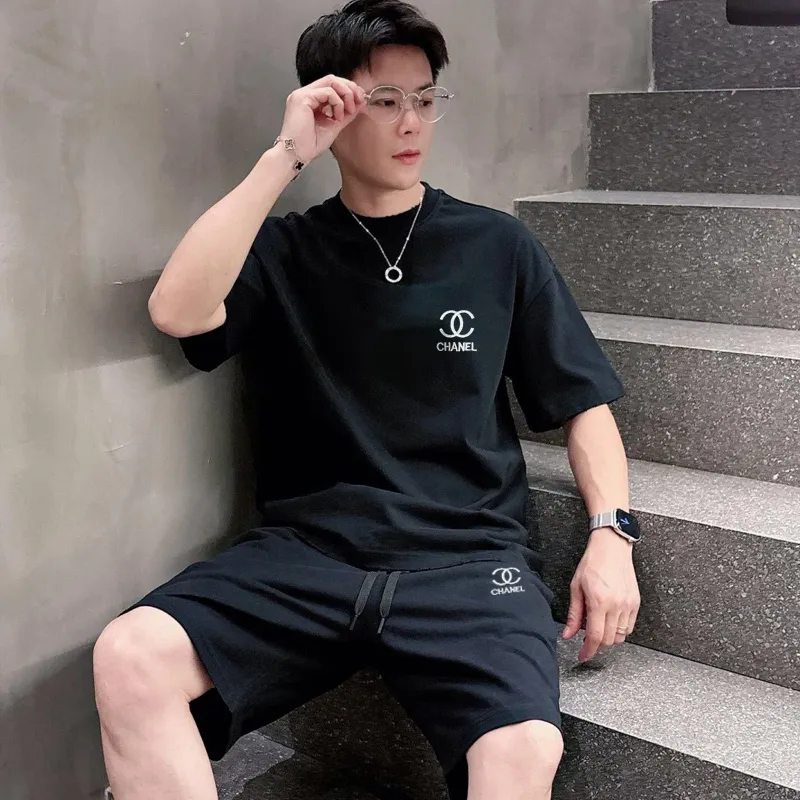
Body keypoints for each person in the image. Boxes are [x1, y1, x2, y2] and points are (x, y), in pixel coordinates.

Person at [92, 2, 642, 799]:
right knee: (129, 655)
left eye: (425, 98)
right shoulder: (284, 249)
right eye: (385, 100)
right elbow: (177, 312)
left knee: (524, 748)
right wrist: (286, 154)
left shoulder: (497, 246)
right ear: (332, 106)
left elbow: (583, 404)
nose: (411, 121)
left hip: (468, 561)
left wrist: (610, 535)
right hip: (308, 556)